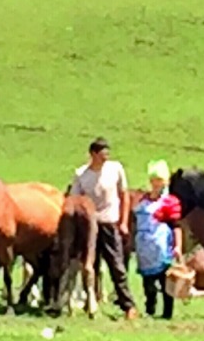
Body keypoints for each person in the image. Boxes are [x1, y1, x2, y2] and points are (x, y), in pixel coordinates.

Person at [68, 137, 138, 320]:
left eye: (107, 153)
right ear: (93, 154)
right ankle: (90, 301)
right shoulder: (82, 174)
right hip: (88, 226)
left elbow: (124, 196)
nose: (106, 157)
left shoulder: (115, 169)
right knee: (89, 265)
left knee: (116, 265)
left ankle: (128, 305)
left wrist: (123, 222)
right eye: (102, 154)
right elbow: (75, 201)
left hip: (108, 223)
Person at [134, 160, 182, 319]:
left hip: (161, 246)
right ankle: (150, 309)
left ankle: (167, 312)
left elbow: (176, 226)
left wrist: (178, 246)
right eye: (154, 180)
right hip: (144, 246)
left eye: (160, 181)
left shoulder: (170, 202)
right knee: (148, 282)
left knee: (165, 281)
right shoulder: (142, 201)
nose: (156, 184)